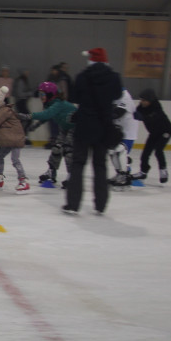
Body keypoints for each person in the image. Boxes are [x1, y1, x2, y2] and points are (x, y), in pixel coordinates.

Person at [63, 48, 123, 215]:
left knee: (78, 164)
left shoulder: (83, 77)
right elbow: (117, 95)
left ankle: (73, 204)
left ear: (90, 60)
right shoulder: (114, 78)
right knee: (100, 166)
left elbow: (74, 98)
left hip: (84, 126)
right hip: (104, 127)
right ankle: (101, 205)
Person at [20, 81, 76, 188]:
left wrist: (27, 116)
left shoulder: (58, 103)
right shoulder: (50, 104)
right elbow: (48, 116)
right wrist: (36, 126)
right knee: (56, 148)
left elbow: (47, 114)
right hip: (64, 128)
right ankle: (51, 171)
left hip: (75, 128)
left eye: (42, 94)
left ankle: (72, 176)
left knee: (68, 150)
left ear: (50, 94)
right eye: (40, 94)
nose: (41, 97)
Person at [132, 89, 171, 180]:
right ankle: (143, 171)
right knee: (145, 153)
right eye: (141, 100)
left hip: (165, 131)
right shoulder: (141, 107)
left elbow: (152, 118)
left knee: (158, 150)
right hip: (154, 133)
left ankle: (163, 170)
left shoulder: (156, 107)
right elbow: (136, 114)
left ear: (150, 100)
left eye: (144, 100)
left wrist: (142, 117)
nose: (142, 102)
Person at [108, 88, 139, 189]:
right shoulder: (115, 96)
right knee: (112, 152)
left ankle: (124, 176)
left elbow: (117, 113)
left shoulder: (126, 98)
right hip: (118, 132)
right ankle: (119, 173)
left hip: (127, 132)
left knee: (121, 153)